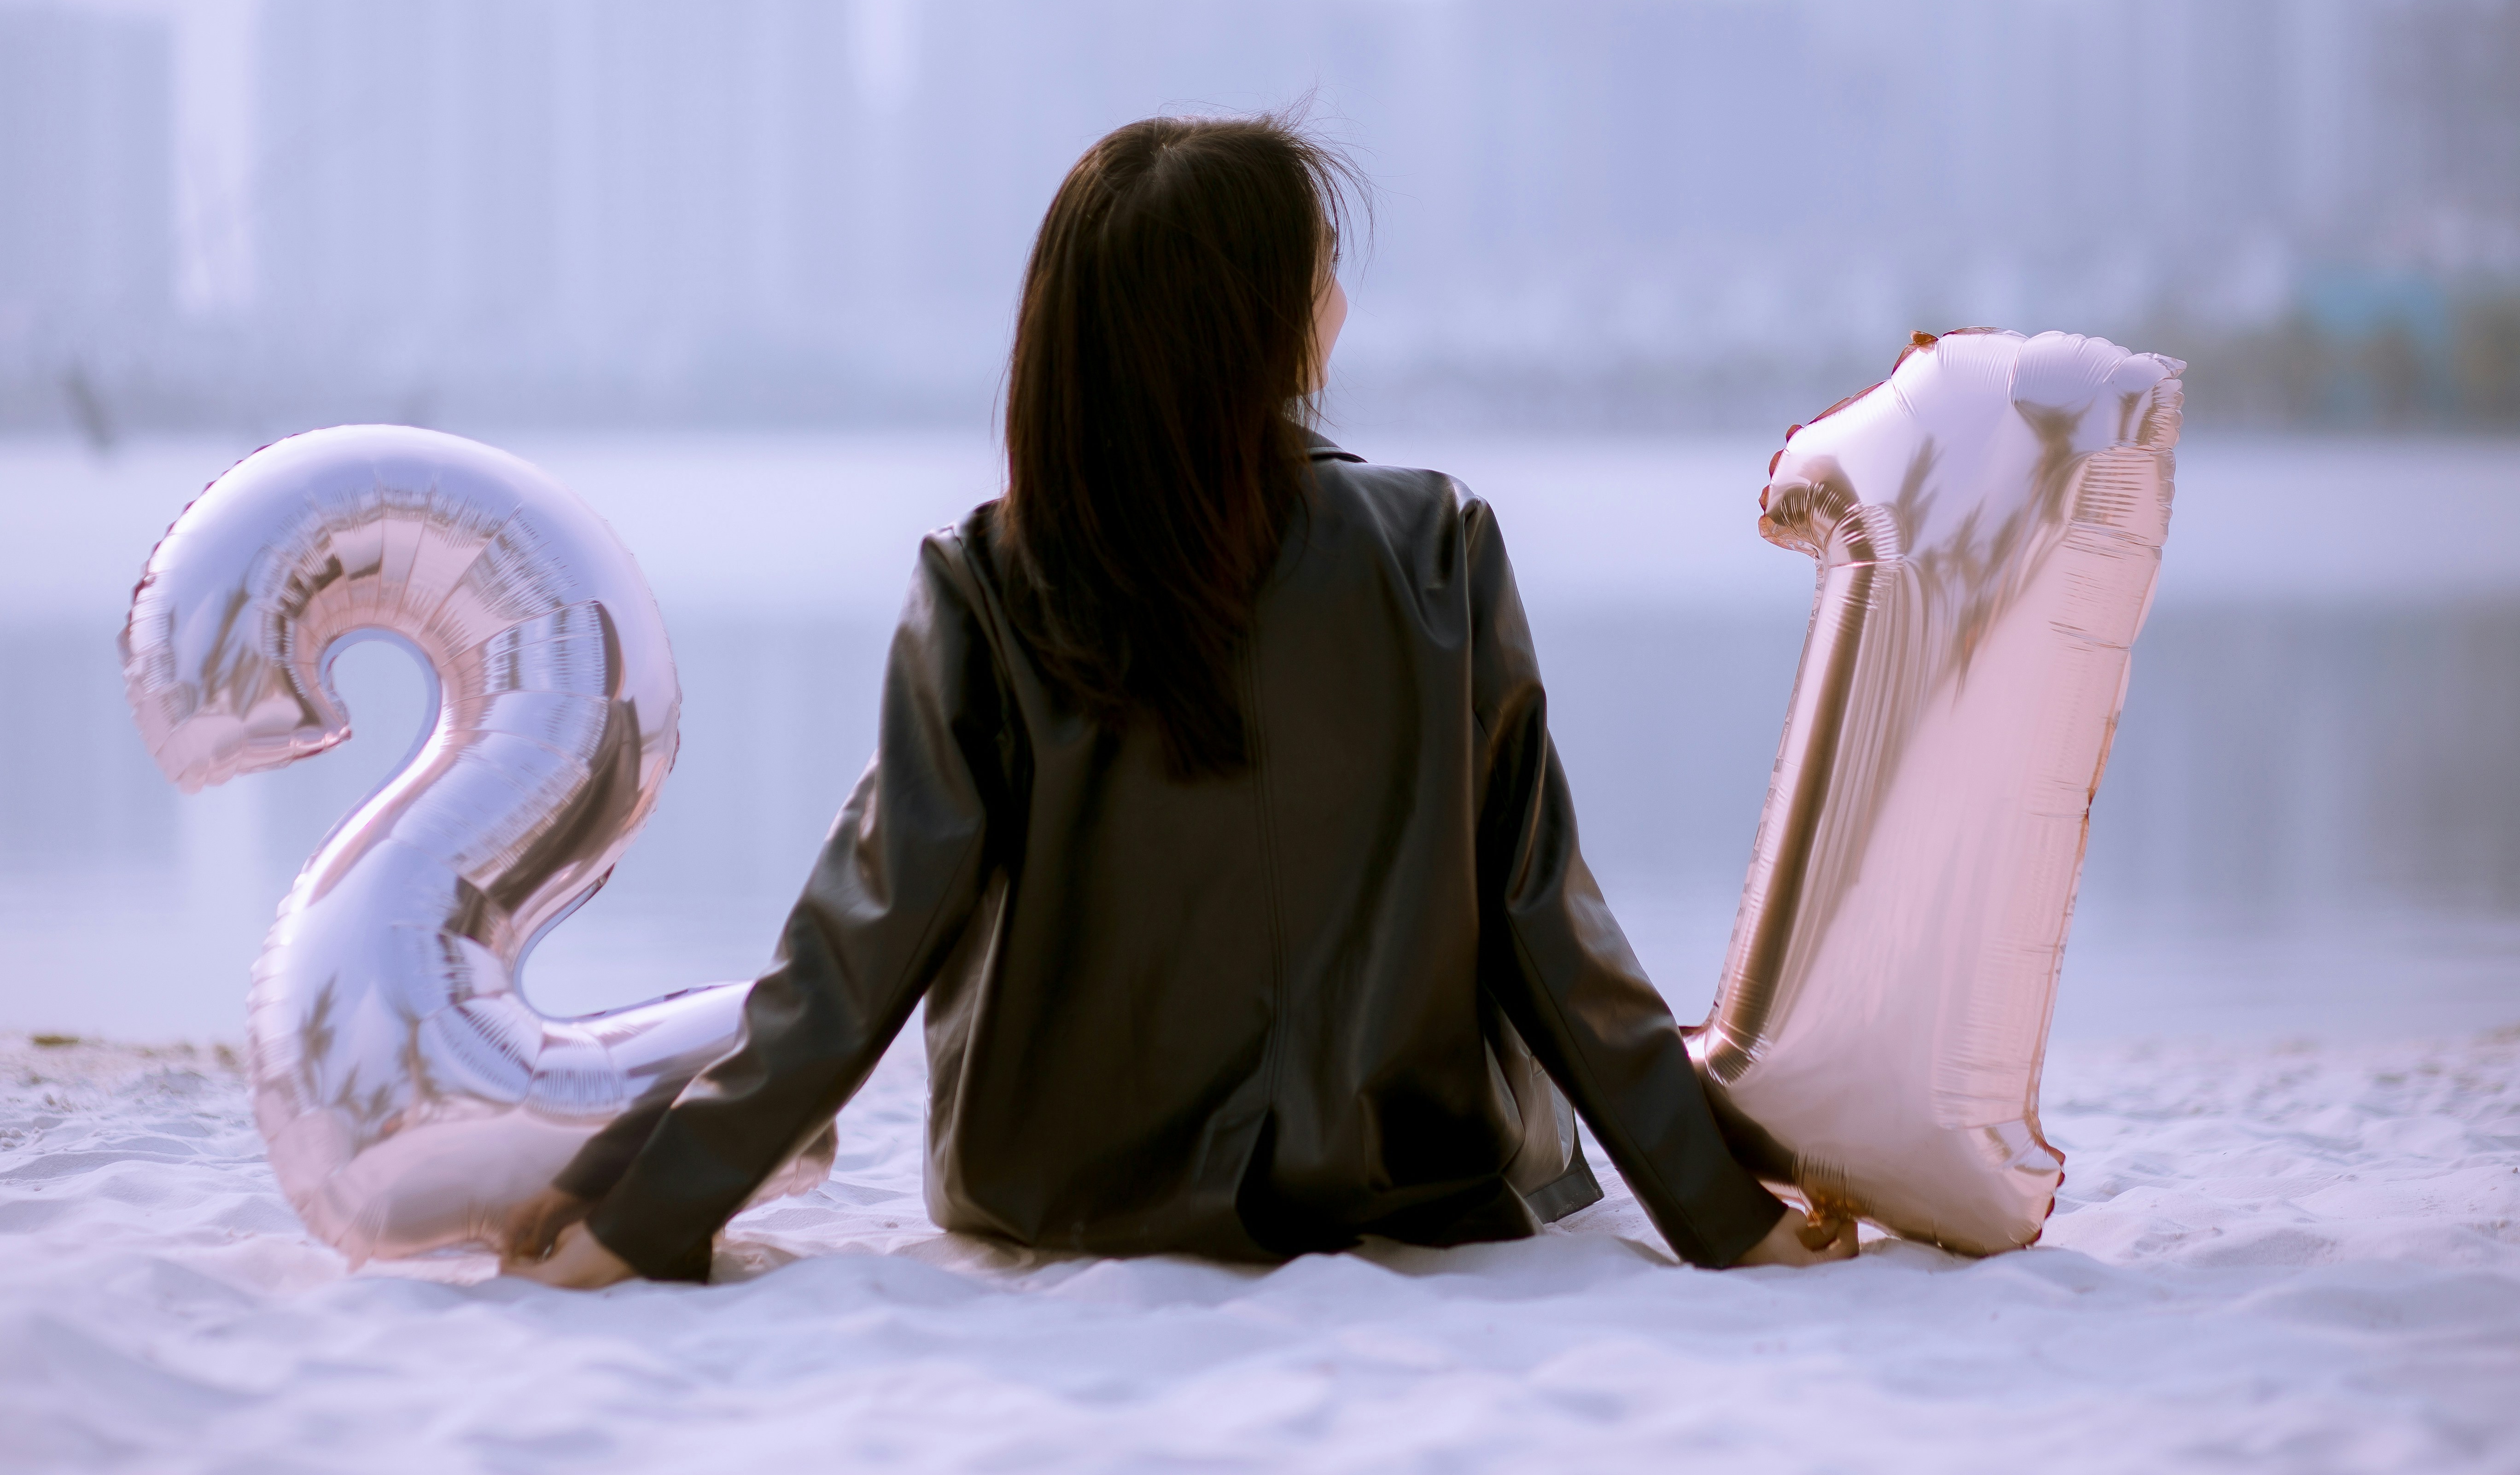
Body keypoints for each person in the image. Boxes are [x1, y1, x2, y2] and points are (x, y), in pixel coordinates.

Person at [507, 114, 1856, 1288]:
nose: (1340, 302)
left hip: (1064, 1189)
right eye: (1320, 272)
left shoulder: (991, 578)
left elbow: (866, 941)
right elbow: (1545, 925)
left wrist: (650, 1214)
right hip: (1401, 1176)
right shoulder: (1434, 548)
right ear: (1257, 319)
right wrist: (1723, 1218)